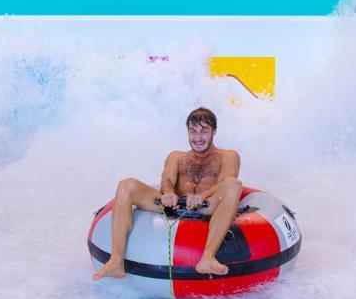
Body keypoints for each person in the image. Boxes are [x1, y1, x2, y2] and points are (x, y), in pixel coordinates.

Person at [93, 107, 243, 280]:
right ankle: (116, 261)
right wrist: (169, 193)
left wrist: (202, 196)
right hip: (174, 206)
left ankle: (207, 257)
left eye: (204, 131)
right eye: (193, 131)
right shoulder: (177, 157)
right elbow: (166, 180)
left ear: (214, 132)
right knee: (126, 184)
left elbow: (225, 182)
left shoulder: (228, 156)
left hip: (206, 206)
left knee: (234, 185)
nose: (197, 138)